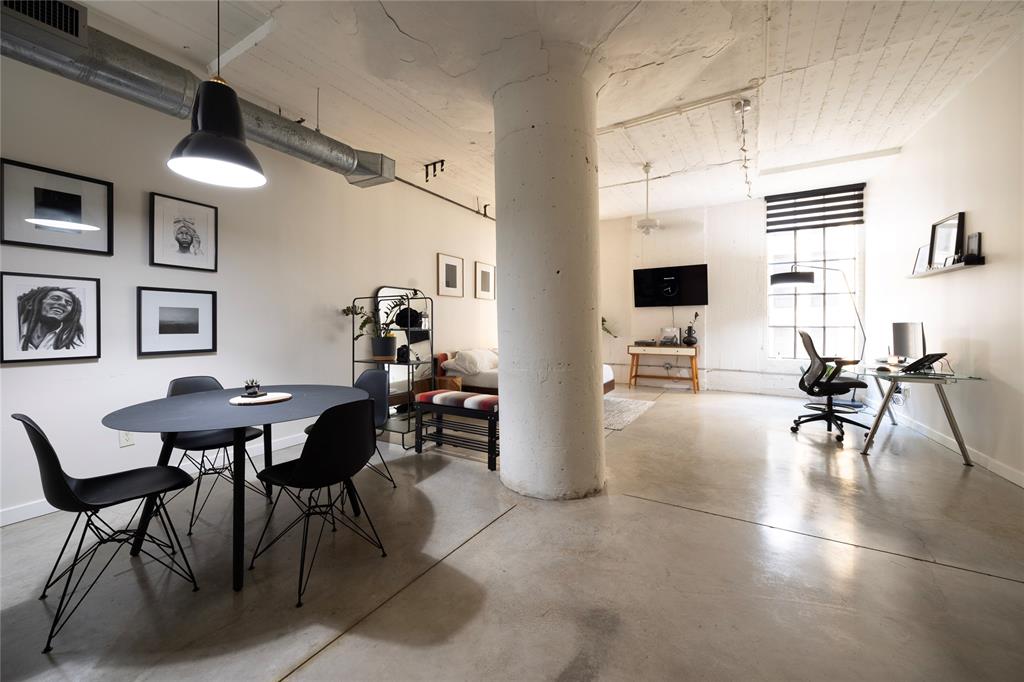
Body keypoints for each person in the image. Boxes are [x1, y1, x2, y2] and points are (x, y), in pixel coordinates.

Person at [17, 286, 84, 351]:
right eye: (55, 298)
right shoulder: (15, 330)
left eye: (69, 303)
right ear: (30, 304)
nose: (63, 303)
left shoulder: (76, 341)